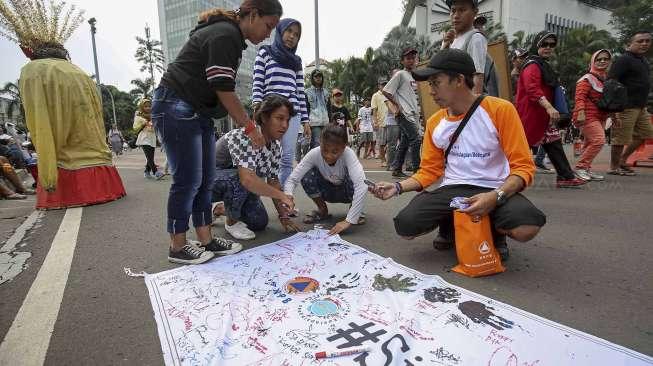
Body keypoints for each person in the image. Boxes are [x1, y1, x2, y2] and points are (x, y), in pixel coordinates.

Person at [371, 49, 546, 260]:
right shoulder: (435, 122)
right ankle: (451, 223)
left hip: (495, 187)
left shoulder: (500, 110)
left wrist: (495, 196)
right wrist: (397, 187)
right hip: (453, 189)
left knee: (526, 227)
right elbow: (429, 171)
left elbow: (523, 167)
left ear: (459, 80)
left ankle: (495, 233)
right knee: (406, 226)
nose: (430, 91)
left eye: (436, 82)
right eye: (429, 84)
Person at [153, 0, 283, 265]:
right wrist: (249, 127)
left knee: (204, 179)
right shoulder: (225, 35)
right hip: (176, 105)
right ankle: (177, 246)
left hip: (197, 110)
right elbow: (223, 88)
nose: (268, 34)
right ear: (254, 15)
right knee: (187, 180)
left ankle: (206, 239)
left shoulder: (230, 36)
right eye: (268, 26)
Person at [4, 4, 126, 210]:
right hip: (95, 154)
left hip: (66, 157)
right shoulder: (77, 70)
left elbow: (39, 118)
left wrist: (48, 165)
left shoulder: (34, 69)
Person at [213, 94, 299, 240]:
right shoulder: (245, 136)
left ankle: (219, 209)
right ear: (264, 118)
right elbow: (247, 180)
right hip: (207, 182)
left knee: (259, 222)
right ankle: (231, 222)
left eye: (287, 120)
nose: (285, 125)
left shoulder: (276, 146)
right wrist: (282, 196)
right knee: (241, 178)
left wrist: (283, 215)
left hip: (237, 185)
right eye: (279, 118)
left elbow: (273, 181)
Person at [515, 31, 586, 188]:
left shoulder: (541, 64)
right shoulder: (532, 64)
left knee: (553, 143)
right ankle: (498, 175)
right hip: (531, 114)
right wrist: (548, 107)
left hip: (542, 116)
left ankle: (565, 176)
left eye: (552, 45)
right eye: (544, 44)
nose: (548, 47)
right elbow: (532, 88)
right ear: (537, 44)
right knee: (519, 145)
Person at [252, 18, 309, 186]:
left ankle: (283, 199)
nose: (292, 36)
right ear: (280, 31)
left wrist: (305, 120)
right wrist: (257, 108)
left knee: (286, 158)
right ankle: (250, 198)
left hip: (292, 115)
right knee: (261, 156)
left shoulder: (296, 61)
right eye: (289, 31)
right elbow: (257, 83)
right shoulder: (265, 53)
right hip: (269, 113)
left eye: (296, 34)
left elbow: (300, 92)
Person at [285, 124, 367, 236]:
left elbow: (362, 185)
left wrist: (349, 220)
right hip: (327, 191)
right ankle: (322, 210)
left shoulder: (348, 154)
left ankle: (356, 211)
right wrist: (288, 195)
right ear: (320, 143)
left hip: (347, 192)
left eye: (334, 152)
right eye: (325, 150)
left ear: (344, 147)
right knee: (306, 174)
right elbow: (292, 179)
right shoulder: (314, 154)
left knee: (358, 179)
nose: (328, 156)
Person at [607, 30, 653, 176]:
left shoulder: (643, 61)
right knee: (620, 137)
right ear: (630, 44)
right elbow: (611, 82)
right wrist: (614, 109)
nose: (644, 44)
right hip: (625, 106)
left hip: (641, 106)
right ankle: (614, 167)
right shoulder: (623, 60)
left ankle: (623, 160)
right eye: (640, 41)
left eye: (647, 41)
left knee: (646, 134)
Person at [573, 49, 615, 181]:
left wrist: (614, 117)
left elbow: (609, 102)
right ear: (593, 61)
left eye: (605, 59)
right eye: (599, 59)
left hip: (601, 117)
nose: (602, 61)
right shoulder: (586, 78)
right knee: (598, 140)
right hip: (586, 115)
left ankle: (585, 168)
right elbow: (580, 97)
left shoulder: (606, 80)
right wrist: (580, 113)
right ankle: (580, 167)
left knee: (589, 143)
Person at [441, 0, 497, 96]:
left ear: (475, 12)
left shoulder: (476, 38)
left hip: (467, 106)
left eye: (462, 10)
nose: (456, 15)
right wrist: (445, 45)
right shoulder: (455, 40)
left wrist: (472, 109)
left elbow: (477, 79)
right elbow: (441, 71)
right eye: (453, 11)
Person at [383, 48, 422, 178]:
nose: (411, 60)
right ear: (403, 61)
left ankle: (397, 169)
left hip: (413, 114)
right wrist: (397, 105)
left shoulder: (415, 76)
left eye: (413, 58)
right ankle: (418, 171)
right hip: (404, 113)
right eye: (408, 58)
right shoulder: (400, 74)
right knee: (416, 140)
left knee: (405, 141)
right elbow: (386, 91)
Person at [133, 98, 164, 180]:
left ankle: (147, 172)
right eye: (146, 106)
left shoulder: (153, 116)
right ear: (142, 107)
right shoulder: (138, 116)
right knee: (149, 157)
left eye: (149, 106)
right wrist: (143, 124)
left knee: (151, 157)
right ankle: (156, 172)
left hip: (152, 138)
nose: (148, 108)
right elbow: (135, 128)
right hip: (144, 138)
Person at [305, 69, 329, 148]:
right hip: (314, 123)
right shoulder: (307, 92)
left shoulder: (326, 92)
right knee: (316, 145)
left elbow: (329, 108)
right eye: (316, 76)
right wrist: (306, 123)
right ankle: (315, 160)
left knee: (325, 144)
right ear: (312, 78)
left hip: (325, 122)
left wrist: (331, 122)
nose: (318, 78)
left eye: (320, 76)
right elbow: (306, 109)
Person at [371, 78, 389, 167]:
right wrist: (375, 122)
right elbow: (374, 110)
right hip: (381, 122)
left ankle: (388, 159)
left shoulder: (389, 93)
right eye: (382, 85)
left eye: (385, 84)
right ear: (379, 86)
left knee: (391, 143)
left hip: (391, 122)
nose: (384, 86)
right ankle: (383, 160)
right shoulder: (376, 95)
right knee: (382, 143)